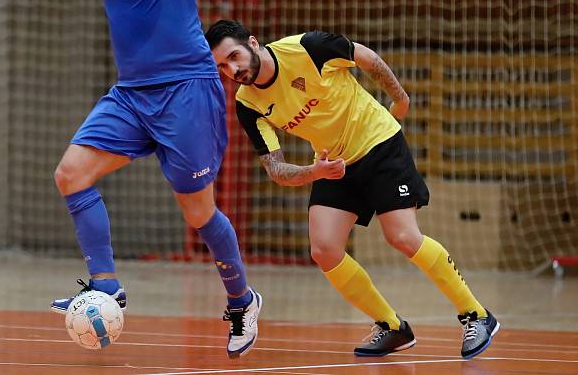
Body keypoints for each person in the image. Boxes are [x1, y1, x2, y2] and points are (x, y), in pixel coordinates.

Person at [0, 0, 262, 358]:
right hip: (133, 93)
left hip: (186, 91)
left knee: (198, 213)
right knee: (70, 174)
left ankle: (242, 300)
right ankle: (106, 284)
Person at [205, 20, 500, 359]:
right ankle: (391, 327)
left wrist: (400, 99)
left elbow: (367, 58)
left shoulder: (307, 48)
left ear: (252, 44)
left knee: (402, 236)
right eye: (223, 67)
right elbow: (276, 169)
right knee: (324, 249)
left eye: (234, 56)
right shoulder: (248, 104)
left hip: (378, 142)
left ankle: (476, 314)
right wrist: (314, 171)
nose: (233, 69)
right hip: (334, 164)